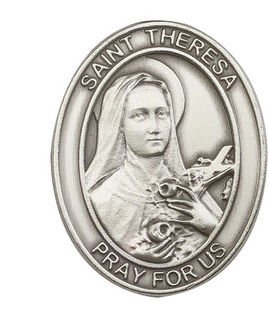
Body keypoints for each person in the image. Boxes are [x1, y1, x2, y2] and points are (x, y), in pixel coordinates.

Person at [85, 71, 222, 262]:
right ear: (119, 125)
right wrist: (134, 259)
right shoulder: (102, 201)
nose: (155, 127)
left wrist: (208, 224)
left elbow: (225, 245)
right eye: (140, 115)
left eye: (161, 114)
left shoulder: (188, 193)